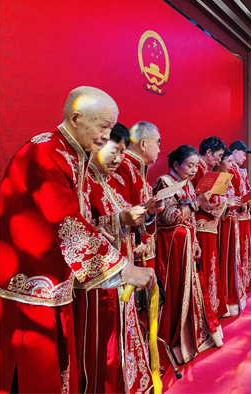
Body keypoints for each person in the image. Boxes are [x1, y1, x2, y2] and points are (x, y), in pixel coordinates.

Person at [0, 86, 156, 394]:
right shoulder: (44, 153)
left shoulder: (73, 154)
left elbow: (78, 218)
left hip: (59, 285)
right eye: (104, 127)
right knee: (33, 374)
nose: (106, 137)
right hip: (29, 289)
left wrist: (104, 231)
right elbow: (67, 223)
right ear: (75, 118)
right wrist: (126, 270)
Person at [79, 123, 152, 394]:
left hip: (124, 271)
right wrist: (119, 219)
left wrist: (144, 216)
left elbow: (126, 221)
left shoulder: (115, 182)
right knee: (104, 343)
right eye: (115, 150)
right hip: (101, 280)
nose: (119, 159)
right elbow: (80, 227)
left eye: (123, 152)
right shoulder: (83, 181)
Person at [153, 145, 223, 364]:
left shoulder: (188, 184)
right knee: (176, 291)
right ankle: (176, 341)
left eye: (195, 166)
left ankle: (193, 337)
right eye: (189, 166)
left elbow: (189, 218)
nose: (194, 170)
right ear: (176, 165)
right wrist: (197, 203)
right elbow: (169, 217)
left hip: (187, 244)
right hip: (172, 247)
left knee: (193, 288)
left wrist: (195, 241)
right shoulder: (165, 183)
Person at [117, 121, 164, 268]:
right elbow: (121, 208)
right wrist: (136, 241)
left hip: (143, 248)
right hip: (132, 249)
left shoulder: (138, 169)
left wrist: (150, 210)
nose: (159, 150)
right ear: (143, 144)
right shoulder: (123, 165)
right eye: (157, 144)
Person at [193, 136, 229, 318]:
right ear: (208, 152)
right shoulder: (198, 169)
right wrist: (226, 201)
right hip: (202, 224)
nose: (219, 160)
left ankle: (212, 307)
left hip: (208, 224)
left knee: (211, 265)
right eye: (219, 155)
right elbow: (205, 201)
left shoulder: (203, 170)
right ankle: (207, 310)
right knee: (207, 266)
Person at [216, 148, 251, 316]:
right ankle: (226, 298)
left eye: (231, 161)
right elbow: (213, 202)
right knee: (226, 259)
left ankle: (233, 296)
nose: (231, 165)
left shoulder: (227, 177)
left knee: (233, 258)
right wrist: (227, 203)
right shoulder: (219, 178)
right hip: (224, 224)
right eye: (228, 161)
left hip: (232, 221)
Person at [228, 140, 251, 286]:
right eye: (243, 154)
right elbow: (233, 193)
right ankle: (242, 278)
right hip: (237, 214)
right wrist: (248, 201)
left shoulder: (241, 170)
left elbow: (247, 189)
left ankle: (249, 276)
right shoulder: (229, 169)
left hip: (245, 214)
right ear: (235, 152)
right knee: (240, 246)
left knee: (247, 245)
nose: (245, 158)